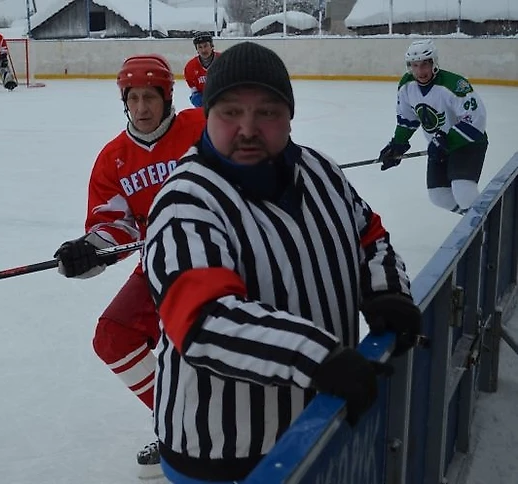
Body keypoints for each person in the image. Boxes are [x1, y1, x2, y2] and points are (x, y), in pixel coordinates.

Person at [142, 42, 423, 483]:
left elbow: (370, 236)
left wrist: (387, 289)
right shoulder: (186, 199)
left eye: (268, 111)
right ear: (207, 115)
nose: (248, 128)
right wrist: (319, 357)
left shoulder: (320, 171)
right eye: (230, 112)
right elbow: (204, 320)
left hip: (319, 428)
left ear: (289, 116)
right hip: (224, 457)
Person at [53, 54, 206, 478]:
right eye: (133, 98)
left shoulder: (202, 126)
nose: (142, 108)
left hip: (224, 258)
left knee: (201, 342)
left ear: (167, 96)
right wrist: (89, 249)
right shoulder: (114, 158)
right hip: (161, 264)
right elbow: (113, 223)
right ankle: (180, 424)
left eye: (150, 97)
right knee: (113, 336)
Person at [378, 39, 488, 215]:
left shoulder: (455, 85)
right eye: (415, 65)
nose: (420, 71)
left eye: (424, 65)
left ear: (434, 63)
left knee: (463, 190)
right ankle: (477, 219)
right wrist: (397, 145)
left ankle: (486, 229)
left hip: (468, 143)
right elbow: (408, 119)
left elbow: (475, 120)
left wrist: (447, 141)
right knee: (439, 195)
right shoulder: (407, 86)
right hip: (438, 147)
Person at [184, 31, 219, 108]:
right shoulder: (190, 67)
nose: (203, 50)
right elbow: (194, 91)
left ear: (211, 46)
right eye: (200, 47)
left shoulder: (224, 60)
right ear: (196, 49)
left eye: (205, 46)